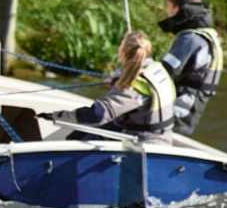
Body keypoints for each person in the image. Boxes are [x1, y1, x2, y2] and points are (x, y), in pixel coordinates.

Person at [42, 31, 176, 141]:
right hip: (161, 135)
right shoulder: (157, 70)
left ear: (123, 52)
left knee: (75, 139)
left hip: (142, 143)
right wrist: (119, 80)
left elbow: (97, 115)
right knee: (79, 134)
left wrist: (57, 116)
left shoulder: (132, 87)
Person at [158, 0, 223, 136]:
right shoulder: (208, 35)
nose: (166, 11)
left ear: (176, 8)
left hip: (174, 117)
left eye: (168, 6)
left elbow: (163, 74)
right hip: (188, 117)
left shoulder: (189, 39)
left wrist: (129, 77)